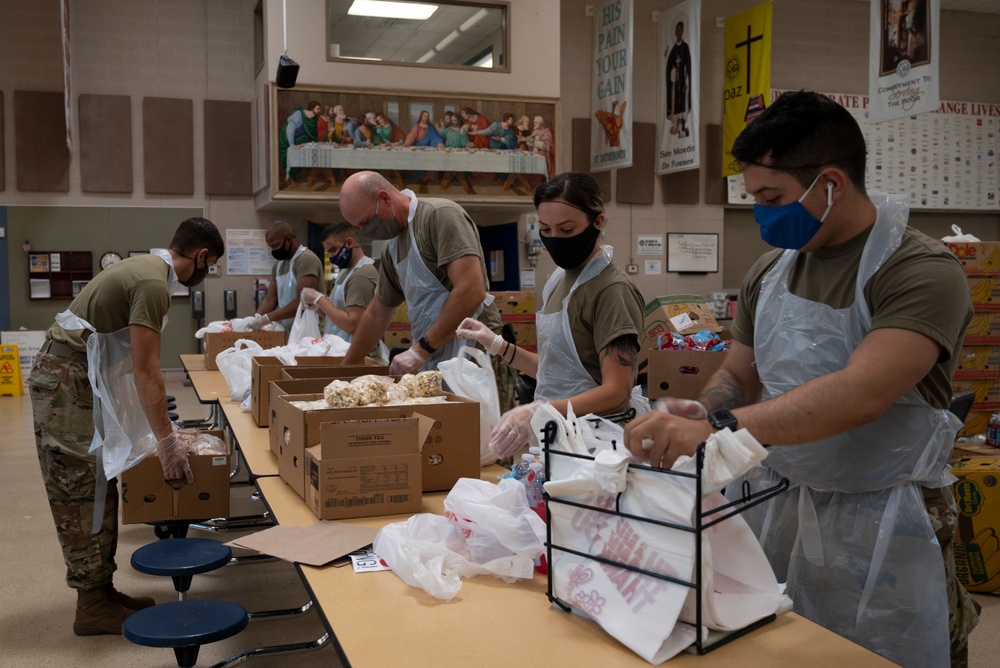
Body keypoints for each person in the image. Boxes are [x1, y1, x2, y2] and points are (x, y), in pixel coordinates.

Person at [622, 91, 979, 667]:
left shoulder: (920, 271)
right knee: (788, 646)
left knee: (894, 651)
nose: (762, 213)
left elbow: (862, 394)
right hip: (781, 502)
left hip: (889, 511)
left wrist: (718, 425)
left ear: (830, 183)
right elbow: (740, 372)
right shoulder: (774, 269)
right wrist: (699, 407)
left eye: (771, 197)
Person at [28, 217, 224, 636]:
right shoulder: (154, 284)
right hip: (66, 380)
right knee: (79, 488)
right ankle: (91, 604)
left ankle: (101, 590)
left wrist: (156, 429)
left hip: (75, 376)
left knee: (99, 482)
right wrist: (167, 442)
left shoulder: (144, 270)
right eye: (211, 266)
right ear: (202, 256)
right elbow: (146, 371)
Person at [458, 172, 643, 458]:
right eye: (545, 230)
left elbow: (616, 393)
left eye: (567, 230)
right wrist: (497, 345)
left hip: (598, 446)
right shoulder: (560, 279)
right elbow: (558, 373)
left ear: (598, 222)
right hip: (560, 436)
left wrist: (536, 409)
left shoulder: (611, 290)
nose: (555, 239)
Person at [337, 171, 515, 412]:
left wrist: (421, 349)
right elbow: (378, 312)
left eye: (367, 222)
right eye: (359, 227)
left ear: (385, 199)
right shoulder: (392, 249)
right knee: (442, 439)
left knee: (486, 440)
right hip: (433, 352)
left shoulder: (439, 216)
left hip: (474, 352)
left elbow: (472, 290)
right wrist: (345, 371)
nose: (366, 231)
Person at [301, 222, 388, 362]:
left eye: (333, 250)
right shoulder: (345, 272)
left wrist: (320, 300)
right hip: (342, 351)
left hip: (359, 358)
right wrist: (318, 308)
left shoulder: (361, 275)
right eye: (328, 251)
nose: (331, 256)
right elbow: (338, 316)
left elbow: (353, 324)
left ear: (349, 243)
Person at [248, 221, 325, 332]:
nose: (274, 250)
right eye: (271, 247)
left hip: (311, 331)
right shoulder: (278, 265)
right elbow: (270, 299)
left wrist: (268, 318)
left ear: (289, 239)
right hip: (291, 330)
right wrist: (257, 318)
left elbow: (303, 301)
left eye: (276, 245)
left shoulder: (306, 260)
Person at [278, 100, 321, 184]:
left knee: (301, 155)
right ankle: (289, 179)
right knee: (290, 156)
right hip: (287, 138)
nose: (319, 110)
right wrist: (291, 144)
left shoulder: (314, 119)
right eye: (318, 108)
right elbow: (290, 129)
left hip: (298, 139)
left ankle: (295, 177)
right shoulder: (299, 114)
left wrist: (317, 142)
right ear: (312, 108)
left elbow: (312, 134)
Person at [664, 20, 692, 138]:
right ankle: (676, 125)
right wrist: (673, 73)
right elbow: (669, 67)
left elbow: (689, 66)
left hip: (683, 81)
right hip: (675, 81)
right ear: (675, 32)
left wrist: (686, 81)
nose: (678, 32)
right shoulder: (674, 49)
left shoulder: (685, 47)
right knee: (676, 101)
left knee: (683, 102)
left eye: (680, 29)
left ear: (683, 31)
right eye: (677, 29)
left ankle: (682, 124)